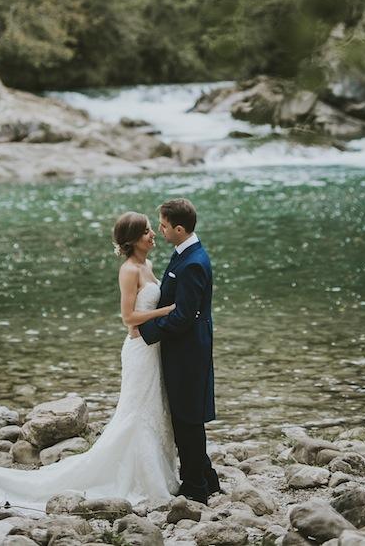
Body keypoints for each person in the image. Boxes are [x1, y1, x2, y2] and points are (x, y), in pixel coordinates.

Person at [0, 212, 179, 510]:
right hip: (138, 351)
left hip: (152, 349)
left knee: (153, 409)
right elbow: (128, 318)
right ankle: (141, 481)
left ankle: (158, 474)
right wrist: (165, 312)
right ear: (132, 240)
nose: (153, 234)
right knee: (135, 415)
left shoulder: (148, 264)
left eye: (151, 229)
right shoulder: (129, 270)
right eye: (146, 231)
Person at [137, 197, 220, 504]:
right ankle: (207, 477)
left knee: (187, 418)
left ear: (180, 229)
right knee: (185, 416)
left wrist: (146, 332)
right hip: (181, 348)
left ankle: (196, 486)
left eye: (163, 225)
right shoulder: (184, 253)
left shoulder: (194, 262)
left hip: (188, 351)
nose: (159, 231)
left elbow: (184, 316)